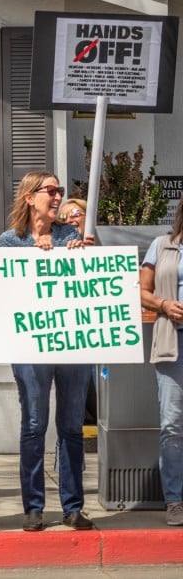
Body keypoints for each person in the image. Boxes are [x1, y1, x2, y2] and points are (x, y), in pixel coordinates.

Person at [0, 170, 93, 532]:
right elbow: (9, 294)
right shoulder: (11, 241)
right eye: (50, 190)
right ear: (29, 197)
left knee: (71, 426)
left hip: (71, 345)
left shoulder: (73, 235)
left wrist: (83, 256)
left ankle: (72, 507)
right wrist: (37, 260)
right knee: (35, 424)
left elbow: (87, 286)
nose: (57, 197)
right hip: (30, 346)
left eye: (60, 191)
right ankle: (34, 507)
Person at [138, 200, 183, 526]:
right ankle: (175, 500)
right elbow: (142, 291)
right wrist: (165, 304)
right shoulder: (162, 245)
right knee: (172, 425)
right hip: (172, 342)